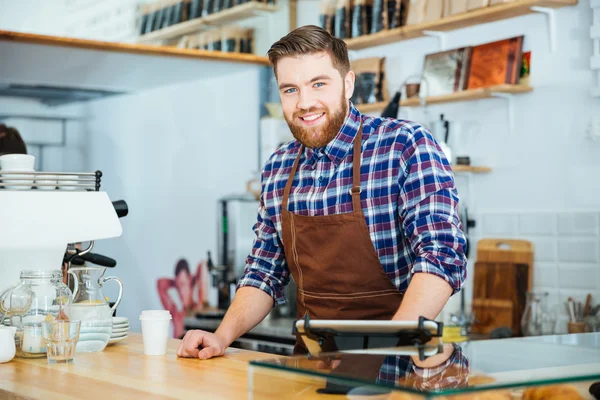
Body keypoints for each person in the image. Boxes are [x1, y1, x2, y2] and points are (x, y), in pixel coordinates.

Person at [177, 25, 467, 360]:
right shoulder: (279, 168)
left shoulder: (405, 146)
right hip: (312, 370)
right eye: (290, 90)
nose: (304, 103)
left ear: (348, 84)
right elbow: (264, 271)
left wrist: (392, 345)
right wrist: (221, 336)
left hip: (400, 371)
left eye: (318, 84)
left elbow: (441, 255)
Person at [157, 259, 205, 338]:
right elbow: (160, 282)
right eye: (178, 287)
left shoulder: (199, 306)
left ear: (190, 280)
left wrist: (193, 279)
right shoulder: (175, 313)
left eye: (183, 284)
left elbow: (202, 266)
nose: (181, 292)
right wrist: (174, 282)